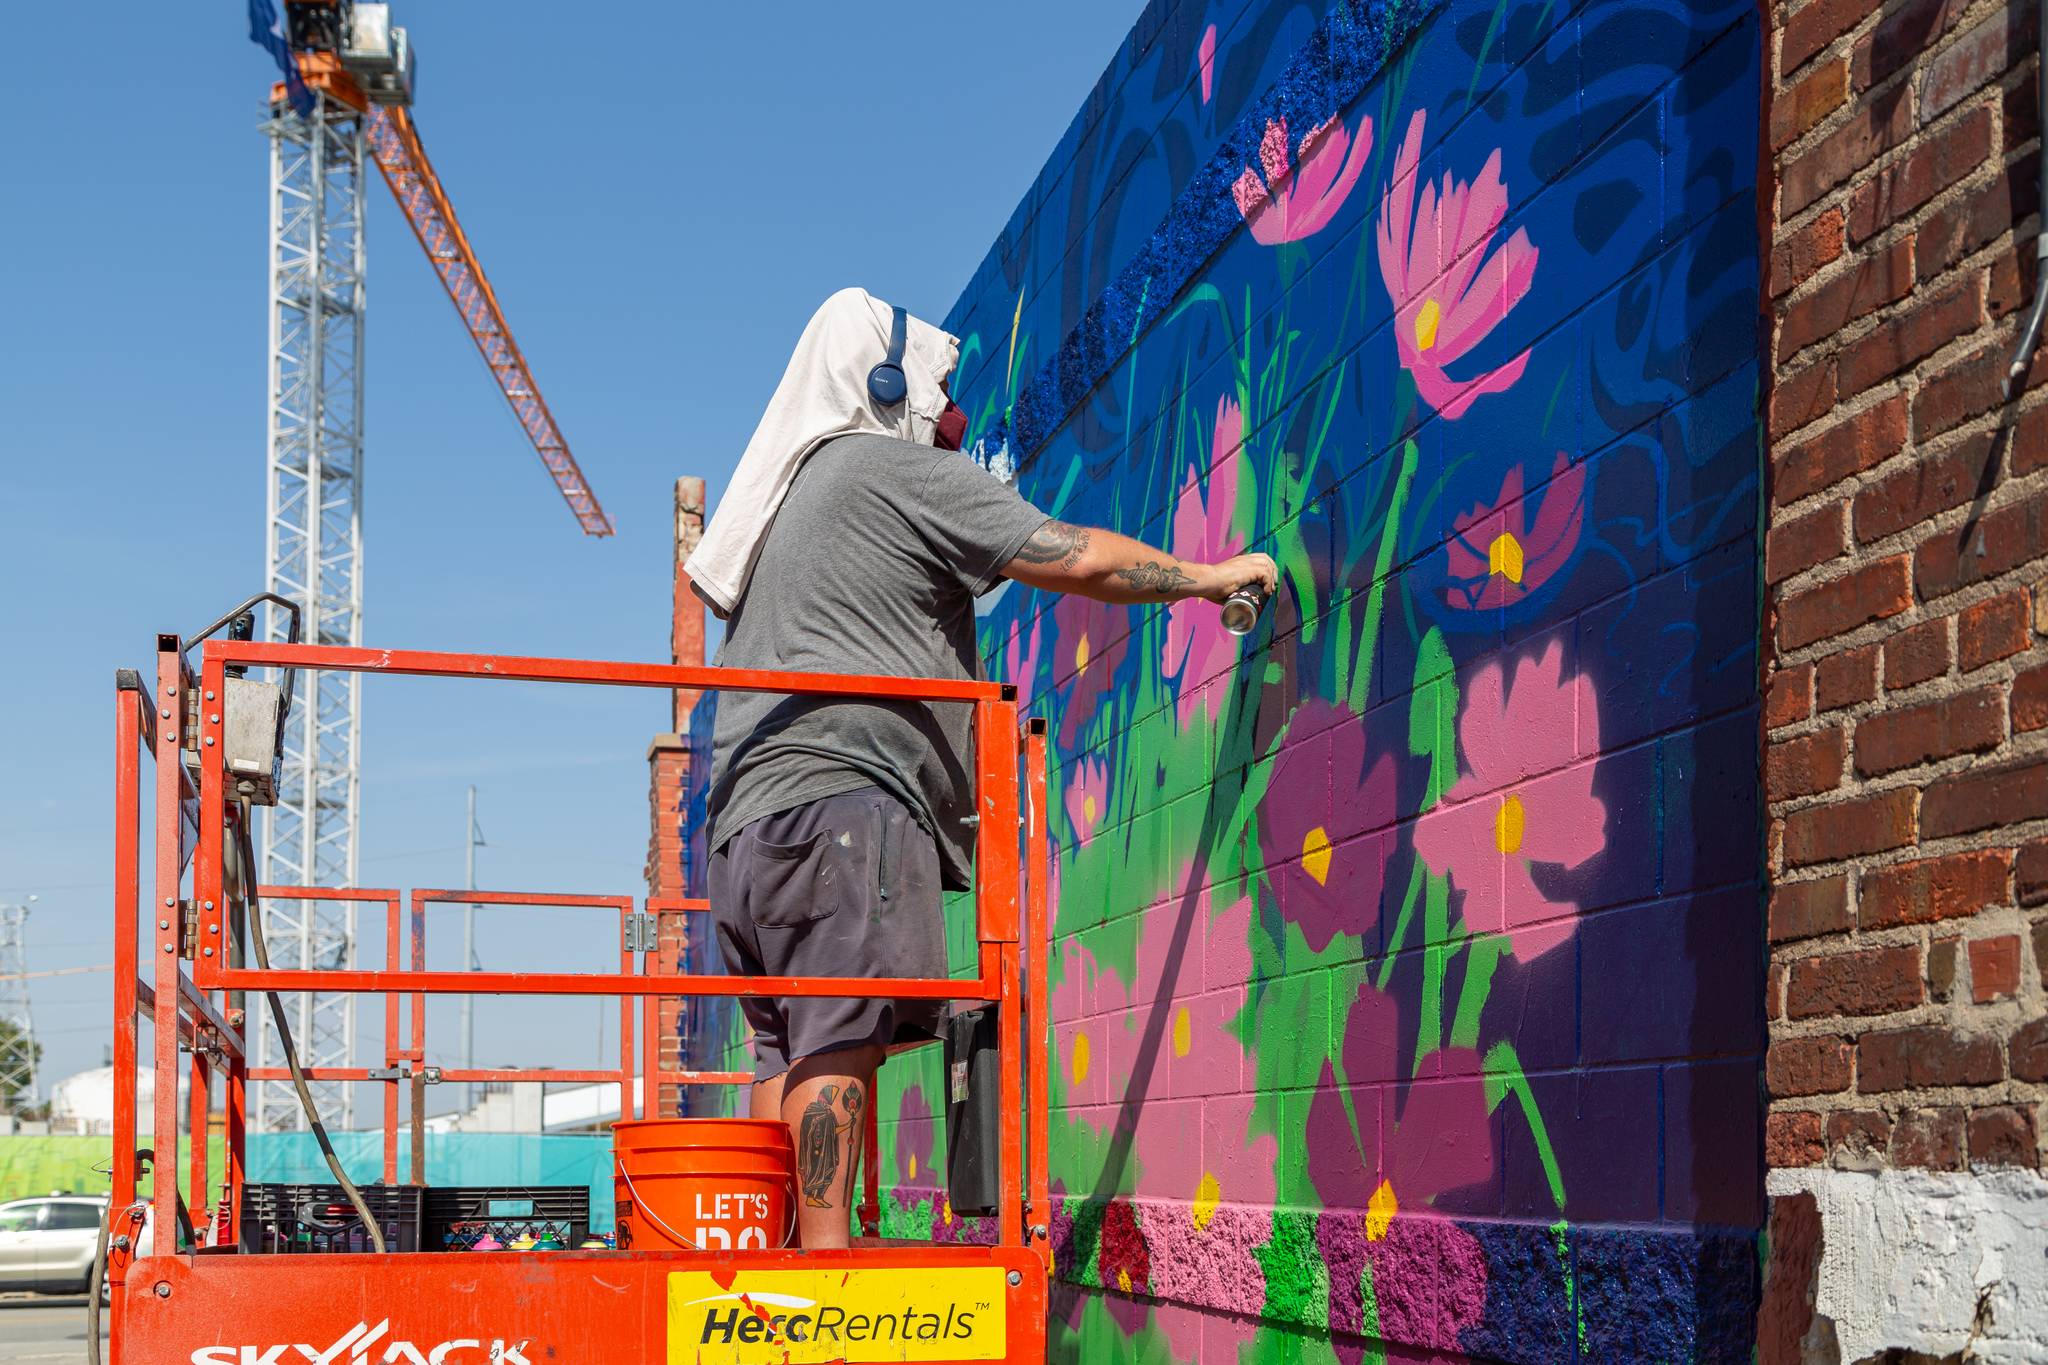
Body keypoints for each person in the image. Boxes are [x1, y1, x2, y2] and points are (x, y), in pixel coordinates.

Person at [687, 288, 1276, 1249]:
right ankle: (825, 1287)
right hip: (842, 803)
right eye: (944, 386)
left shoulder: (793, 507)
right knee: (837, 1039)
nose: (956, 411)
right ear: (887, 383)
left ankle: (781, 1257)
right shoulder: (884, 467)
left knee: (785, 1050)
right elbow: (1071, 555)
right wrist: (1209, 578)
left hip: (743, 840)